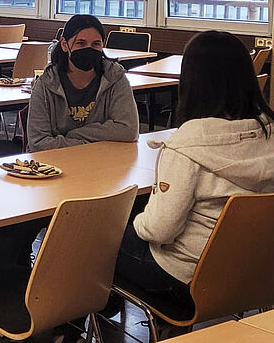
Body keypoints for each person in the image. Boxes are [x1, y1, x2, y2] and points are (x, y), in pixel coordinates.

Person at [113, 30, 274, 307]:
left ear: (192, 81)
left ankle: (77, 323)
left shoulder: (187, 145)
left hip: (186, 277)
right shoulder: (268, 132)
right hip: (254, 273)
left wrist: (137, 221)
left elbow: (160, 231)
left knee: (96, 236)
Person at [27, 14, 138, 151]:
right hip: (55, 162)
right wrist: (88, 145)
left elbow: (128, 129)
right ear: (64, 45)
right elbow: (38, 142)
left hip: (102, 160)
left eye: (96, 44)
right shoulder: (45, 84)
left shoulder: (115, 77)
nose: (89, 49)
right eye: (81, 43)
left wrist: (75, 135)